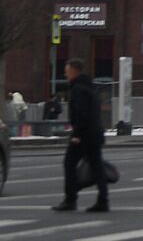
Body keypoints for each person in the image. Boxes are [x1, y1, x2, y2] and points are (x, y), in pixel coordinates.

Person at [51, 59, 109, 213]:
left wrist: (77, 134)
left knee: (69, 163)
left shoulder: (78, 89)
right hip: (95, 133)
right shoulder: (90, 86)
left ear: (74, 71)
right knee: (97, 167)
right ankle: (103, 200)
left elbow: (81, 114)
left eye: (67, 71)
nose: (65, 74)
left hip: (84, 135)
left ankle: (70, 199)